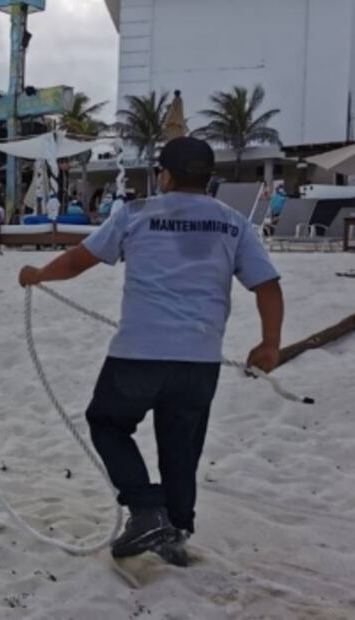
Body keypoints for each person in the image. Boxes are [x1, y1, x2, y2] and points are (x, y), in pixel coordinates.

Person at [18, 137, 283, 565]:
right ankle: (176, 530)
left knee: (106, 422)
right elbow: (267, 286)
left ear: (165, 175)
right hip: (199, 359)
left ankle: (145, 510)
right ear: (208, 177)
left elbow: (78, 261)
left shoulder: (137, 214)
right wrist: (271, 344)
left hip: (138, 352)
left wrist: (37, 275)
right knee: (181, 447)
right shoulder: (234, 223)